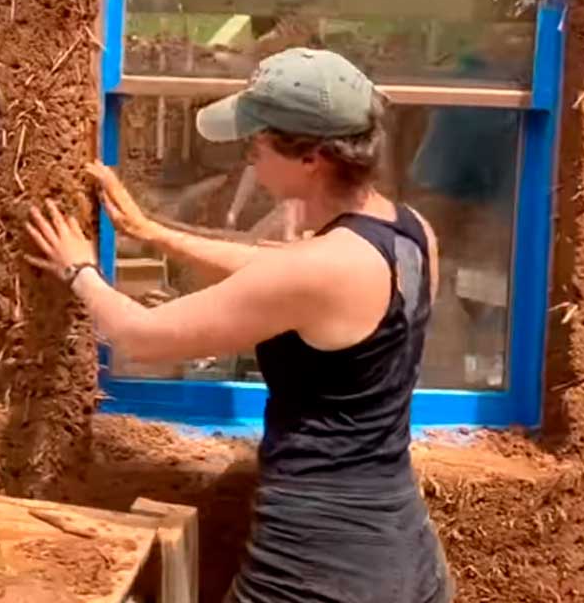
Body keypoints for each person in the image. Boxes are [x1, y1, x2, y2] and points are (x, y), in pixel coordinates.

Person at [27, 48, 452, 603]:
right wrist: (152, 232)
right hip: (406, 558)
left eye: (257, 143)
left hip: (319, 574)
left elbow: (141, 337)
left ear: (312, 158)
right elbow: (280, 273)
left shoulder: (319, 269)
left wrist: (78, 270)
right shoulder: (408, 232)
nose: (248, 157)